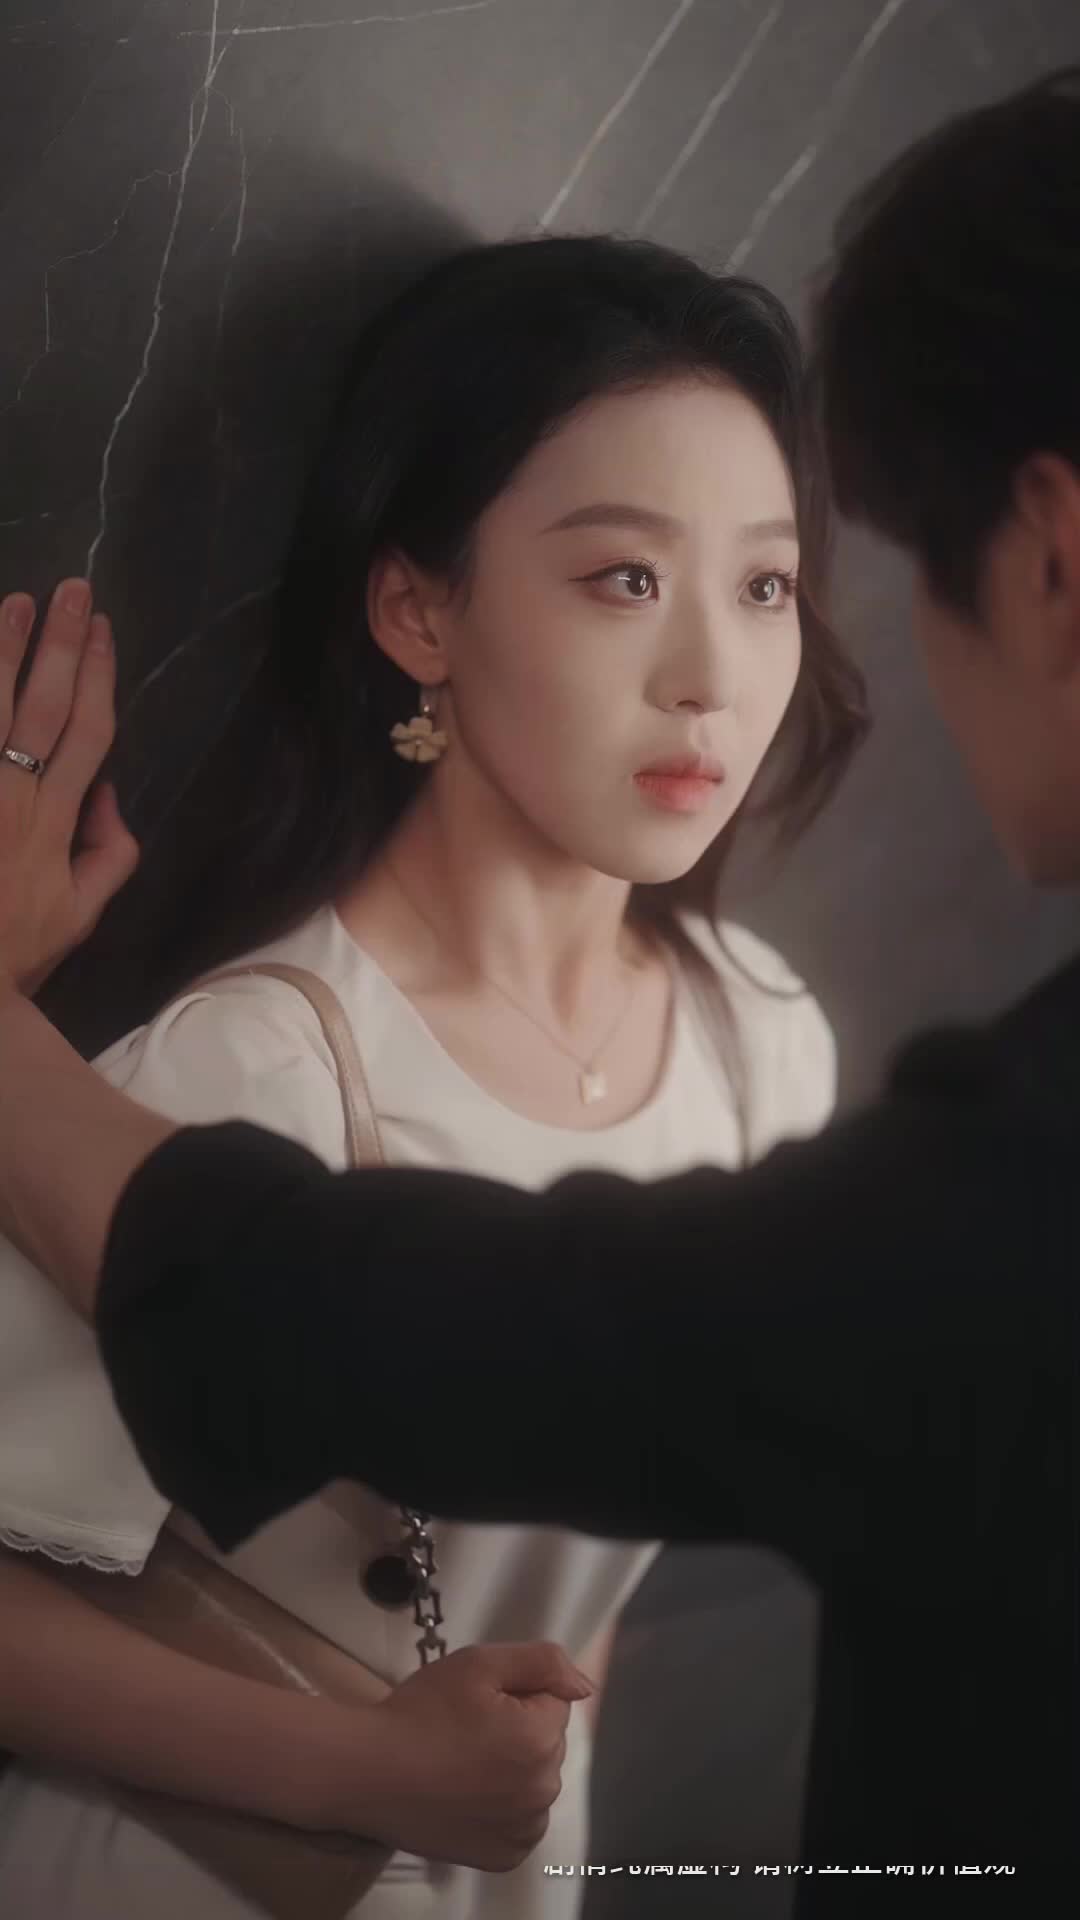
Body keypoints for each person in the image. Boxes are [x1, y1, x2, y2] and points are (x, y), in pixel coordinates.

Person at [0, 63, 1076, 1911]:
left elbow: (602, 1395)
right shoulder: (252, 1059)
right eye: (623, 579)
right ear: (419, 608)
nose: (711, 676)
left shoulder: (768, 1041)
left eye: (768, 588)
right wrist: (364, 1770)